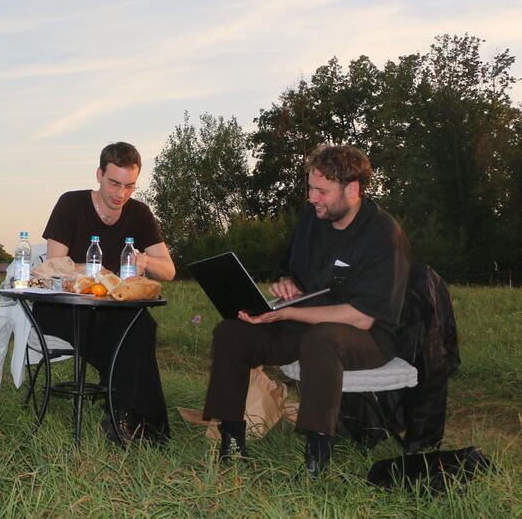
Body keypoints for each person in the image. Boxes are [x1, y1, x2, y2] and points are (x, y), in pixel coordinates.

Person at [201, 144, 410, 478]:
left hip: (368, 335)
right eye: (311, 188)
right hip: (306, 318)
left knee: (322, 339)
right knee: (232, 331)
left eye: (322, 191)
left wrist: (288, 314)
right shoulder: (314, 219)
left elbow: (361, 316)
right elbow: (292, 270)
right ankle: (232, 442)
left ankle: (316, 458)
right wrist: (288, 286)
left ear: (352, 189)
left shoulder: (382, 235)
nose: (312, 197)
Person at [36, 141, 176, 445]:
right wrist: (96, 271)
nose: (121, 194)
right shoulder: (71, 204)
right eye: (114, 183)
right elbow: (56, 264)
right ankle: (130, 417)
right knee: (119, 337)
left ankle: (125, 417)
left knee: (142, 326)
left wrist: (147, 261)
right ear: (99, 174)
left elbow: (169, 271)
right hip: (64, 306)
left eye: (129, 186)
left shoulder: (139, 213)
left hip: (113, 307)